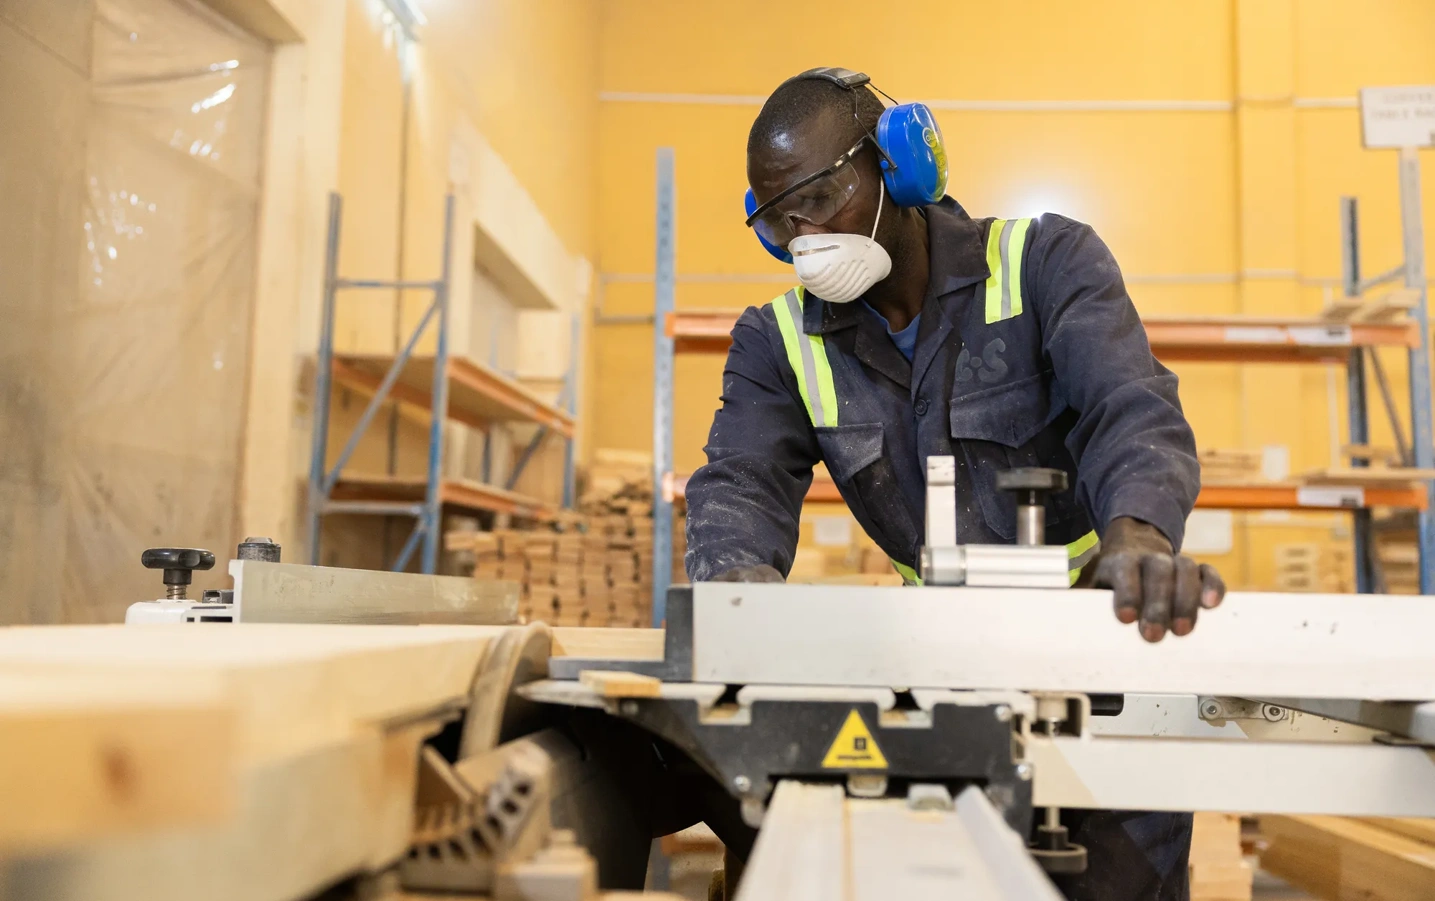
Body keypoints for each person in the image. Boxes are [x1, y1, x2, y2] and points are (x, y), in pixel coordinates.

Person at [683, 67, 1227, 901]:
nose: (804, 232)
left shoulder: (1044, 263)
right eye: (778, 218)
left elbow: (1130, 404)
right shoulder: (777, 339)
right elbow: (741, 481)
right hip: (932, 684)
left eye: (821, 194)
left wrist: (1139, 531)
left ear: (900, 164)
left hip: (1099, 667)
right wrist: (737, 591)